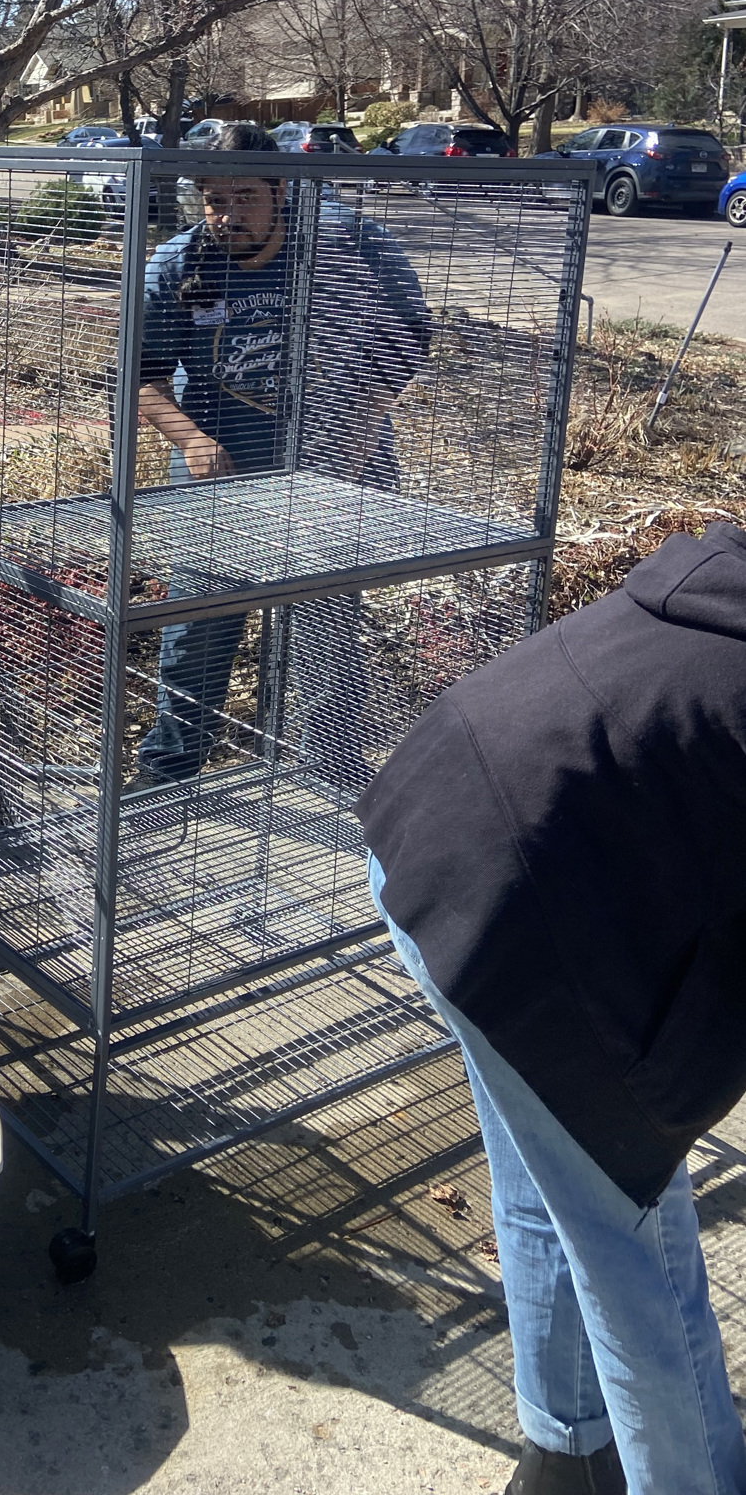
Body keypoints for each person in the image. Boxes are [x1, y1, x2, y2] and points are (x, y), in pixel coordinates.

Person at [360, 519, 746, 1494]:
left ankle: (566, 1456)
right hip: (516, 895)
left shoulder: (721, 593)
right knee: (640, 1250)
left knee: (547, 1186)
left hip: (431, 813)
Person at [133, 121, 431, 788]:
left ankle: (330, 770)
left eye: (245, 196)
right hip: (224, 473)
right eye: (215, 200)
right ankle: (169, 772)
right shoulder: (180, 263)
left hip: (337, 465)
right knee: (197, 627)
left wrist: (348, 441)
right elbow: (139, 377)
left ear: (282, 192)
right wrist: (192, 442)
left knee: (323, 620)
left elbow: (406, 344)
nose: (229, 213)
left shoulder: (347, 243)